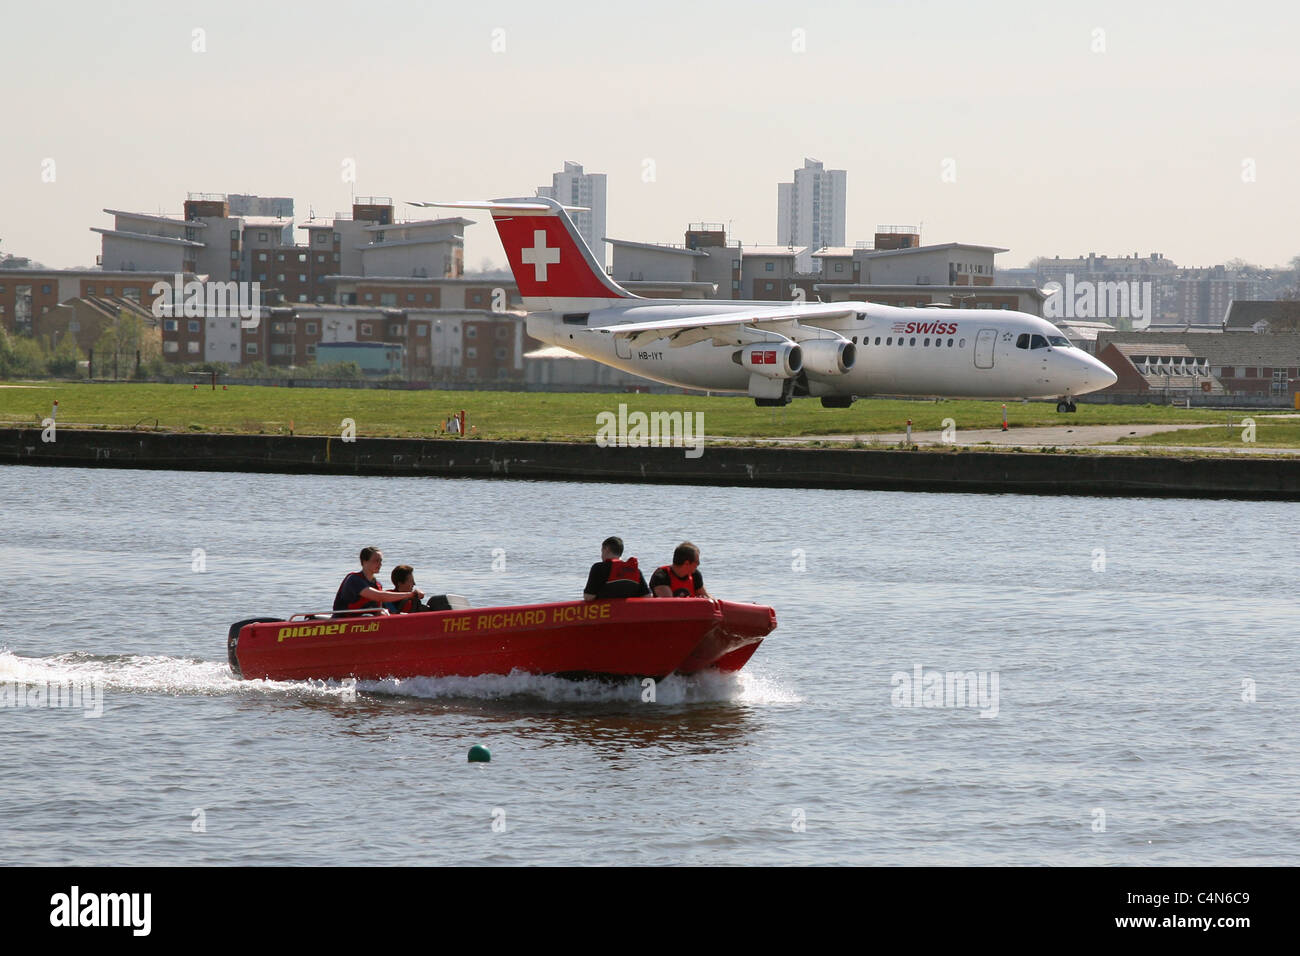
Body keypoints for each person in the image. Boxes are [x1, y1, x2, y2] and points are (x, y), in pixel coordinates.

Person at [333, 547, 421, 616]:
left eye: (381, 561)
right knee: (368, 617)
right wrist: (411, 594)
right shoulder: (354, 580)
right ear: (364, 562)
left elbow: (378, 608)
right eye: (376, 561)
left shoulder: (377, 585)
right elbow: (379, 596)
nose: (380, 564)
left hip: (366, 622)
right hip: (346, 621)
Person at [583, 536, 649, 600]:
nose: (601, 555)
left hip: (607, 610)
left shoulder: (598, 568)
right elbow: (647, 596)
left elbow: (588, 597)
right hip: (628, 610)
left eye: (602, 551)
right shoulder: (636, 570)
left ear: (606, 549)